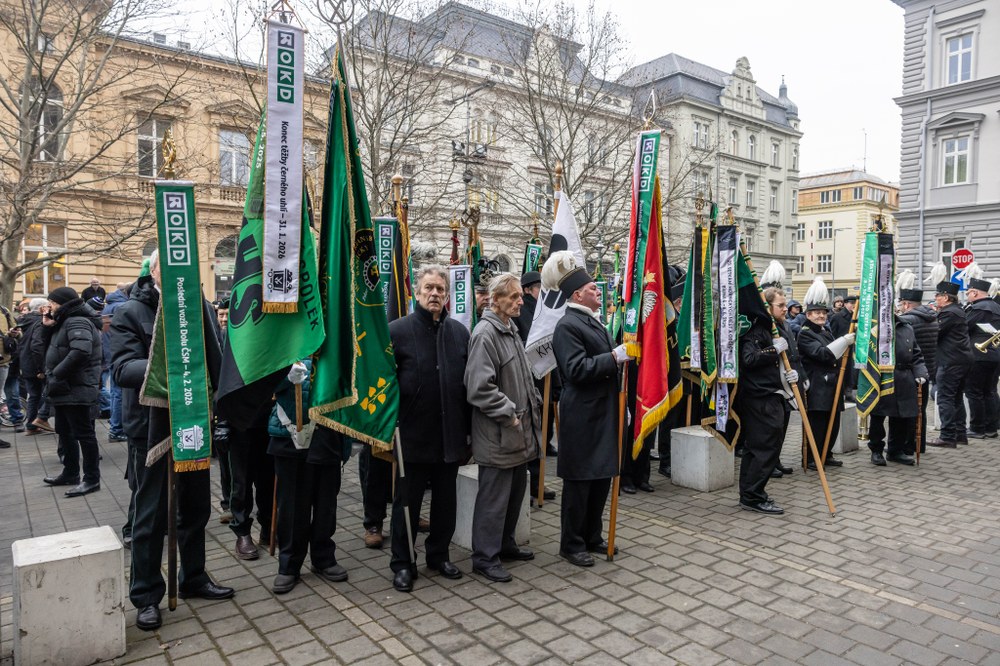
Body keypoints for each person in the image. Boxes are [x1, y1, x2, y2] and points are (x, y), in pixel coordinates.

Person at [111, 250, 234, 632]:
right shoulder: (130, 312)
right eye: (171, 267)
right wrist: (170, 368)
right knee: (150, 517)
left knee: (196, 509)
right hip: (151, 429)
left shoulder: (199, 305)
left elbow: (216, 356)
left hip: (193, 423)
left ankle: (193, 576)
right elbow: (121, 369)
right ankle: (146, 595)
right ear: (154, 271)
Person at [388, 266, 471, 592]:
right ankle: (403, 563)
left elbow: (465, 385)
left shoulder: (459, 333)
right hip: (411, 435)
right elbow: (384, 386)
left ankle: (438, 555)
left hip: (450, 433)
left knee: (446, 502)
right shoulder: (396, 332)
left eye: (440, 288)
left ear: (447, 294)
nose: (435, 293)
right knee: (406, 504)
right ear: (416, 293)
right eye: (429, 288)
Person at [549, 253, 627, 565]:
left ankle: (592, 535)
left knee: (600, 478)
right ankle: (571, 543)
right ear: (577, 294)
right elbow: (575, 369)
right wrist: (613, 357)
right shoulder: (568, 325)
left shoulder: (592, 321)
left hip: (602, 411)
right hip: (581, 415)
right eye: (593, 288)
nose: (599, 292)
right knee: (580, 481)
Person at [465, 272, 541, 583]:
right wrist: (510, 414)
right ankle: (485, 556)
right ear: (495, 301)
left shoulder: (509, 330)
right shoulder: (486, 334)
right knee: (494, 500)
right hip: (499, 435)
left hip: (517, 435)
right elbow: (479, 387)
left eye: (520, 296)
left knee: (514, 494)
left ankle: (505, 544)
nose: (520, 300)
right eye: (513, 296)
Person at [268, 361, 351, 594]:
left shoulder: (333, 339)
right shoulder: (283, 336)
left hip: (328, 431)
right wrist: (286, 377)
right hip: (289, 433)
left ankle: (323, 557)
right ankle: (289, 565)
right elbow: (262, 380)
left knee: (326, 503)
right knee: (293, 505)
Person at [735, 287, 802, 515]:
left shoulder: (780, 327)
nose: (786, 308)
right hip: (760, 397)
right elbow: (749, 358)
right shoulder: (757, 328)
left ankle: (751, 493)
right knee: (763, 448)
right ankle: (753, 496)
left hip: (774, 394)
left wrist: (790, 376)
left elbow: (786, 361)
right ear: (768, 307)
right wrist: (773, 349)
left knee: (764, 448)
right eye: (781, 305)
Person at [40, 287, 103, 496]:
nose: (50, 306)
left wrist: (56, 373)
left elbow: (80, 352)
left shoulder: (77, 321)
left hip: (76, 387)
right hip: (65, 388)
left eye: (53, 302)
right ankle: (70, 473)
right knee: (65, 432)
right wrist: (48, 326)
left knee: (84, 434)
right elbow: (50, 347)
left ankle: (92, 479)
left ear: (63, 303)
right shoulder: (65, 321)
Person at [797, 279, 854, 470]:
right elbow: (822, 354)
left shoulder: (825, 331)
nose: (821, 315)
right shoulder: (805, 334)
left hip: (832, 385)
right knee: (817, 425)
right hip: (817, 386)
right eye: (817, 313)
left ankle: (826, 453)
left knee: (833, 422)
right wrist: (843, 342)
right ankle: (811, 457)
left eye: (823, 312)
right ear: (808, 314)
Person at [513, 270, 557, 501]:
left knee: (540, 436)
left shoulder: (542, 309)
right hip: (530, 382)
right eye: (541, 287)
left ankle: (538, 483)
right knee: (531, 436)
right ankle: (530, 485)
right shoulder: (524, 311)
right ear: (529, 289)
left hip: (544, 380)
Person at [868, 314, 928, 466]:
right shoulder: (872, 325)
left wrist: (920, 372)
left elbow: (916, 353)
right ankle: (876, 450)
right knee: (878, 415)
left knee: (902, 416)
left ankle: (895, 451)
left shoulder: (906, 326)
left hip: (904, 375)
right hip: (881, 375)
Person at [929, 280, 972, 448]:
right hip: (962, 360)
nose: (935, 298)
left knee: (945, 397)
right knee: (956, 398)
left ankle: (947, 436)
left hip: (950, 361)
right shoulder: (957, 311)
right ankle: (960, 433)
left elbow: (935, 333)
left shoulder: (948, 313)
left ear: (946, 297)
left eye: (938, 295)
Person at [898, 286, 937, 455]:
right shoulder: (932, 317)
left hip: (911, 369)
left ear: (906, 304)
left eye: (901, 304)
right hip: (928, 368)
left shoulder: (907, 320)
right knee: (921, 408)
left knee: (909, 409)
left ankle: (907, 445)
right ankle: (919, 444)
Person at [963, 275, 1000, 439]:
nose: (967, 296)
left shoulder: (977, 308)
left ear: (975, 293)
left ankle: (977, 428)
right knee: (989, 391)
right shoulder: (996, 306)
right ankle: (991, 428)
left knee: (974, 392)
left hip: (978, 354)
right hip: (994, 355)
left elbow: (964, 328)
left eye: (969, 293)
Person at [17, 299, 52, 436]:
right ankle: (41, 419)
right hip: (36, 365)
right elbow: (37, 346)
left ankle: (32, 426)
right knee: (50, 393)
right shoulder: (39, 322)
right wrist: (41, 369)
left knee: (34, 395)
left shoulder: (25, 321)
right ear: (42, 308)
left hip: (26, 363)